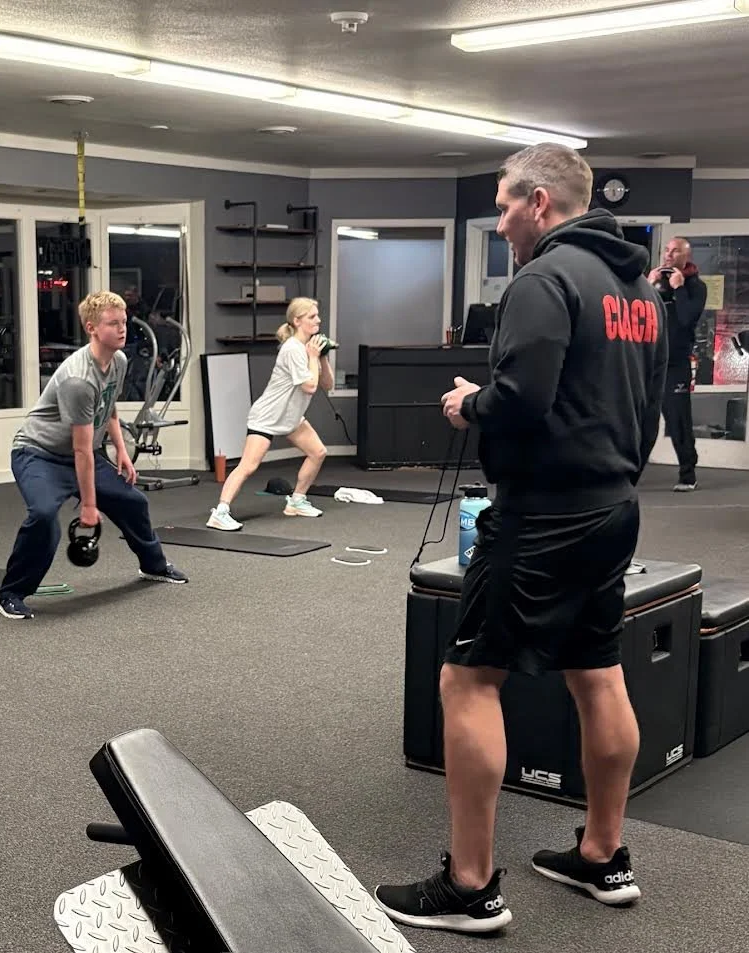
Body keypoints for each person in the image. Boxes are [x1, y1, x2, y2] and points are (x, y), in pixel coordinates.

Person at [374, 143, 668, 933]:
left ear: (538, 201)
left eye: (504, 205)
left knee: (468, 680)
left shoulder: (542, 278)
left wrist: (469, 403)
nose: (500, 222)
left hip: (541, 512)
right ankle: (602, 853)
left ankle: (468, 885)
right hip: (612, 505)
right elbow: (648, 413)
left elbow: (523, 397)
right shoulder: (637, 288)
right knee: (596, 671)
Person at [0, 290, 188, 621]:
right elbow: (82, 449)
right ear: (92, 328)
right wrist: (88, 506)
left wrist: (123, 452)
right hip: (39, 454)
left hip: (81, 454)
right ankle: (11, 593)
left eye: (124, 321)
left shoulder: (119, 361)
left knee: (134, 501)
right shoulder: (77, 379)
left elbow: (109, 407)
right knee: (43, 516)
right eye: (113, 323)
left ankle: (154, 565)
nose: (123, 328)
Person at [206, 297, 333, 531]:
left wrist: (322, 356)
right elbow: (309, 386)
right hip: (267, 417)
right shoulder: (293, 348)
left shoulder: (309, 348)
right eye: (312, 316)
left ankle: (296, 501)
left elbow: (327, 384)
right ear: (297, 321)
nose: (318, 320)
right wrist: (313, 357)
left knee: (318, 452)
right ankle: (220, 512)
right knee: (249, 466)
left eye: (317, 315)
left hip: (291, 417)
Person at [650, 238, 707, 490]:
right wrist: (647, 286)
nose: (669, 255)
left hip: (676, 364)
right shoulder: (654, 282)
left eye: (675, 251)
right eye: (667, 250)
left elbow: (686, 320)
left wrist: (679, 288)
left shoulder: (696, 286)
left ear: (686, 256)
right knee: (640, 420)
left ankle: (687, 473)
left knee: (677, 420)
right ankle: (628, 473)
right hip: (649, 361)